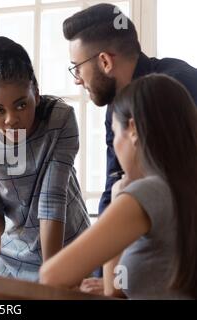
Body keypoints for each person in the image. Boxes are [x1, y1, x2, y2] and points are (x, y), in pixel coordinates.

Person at [39, 74, 197, 299]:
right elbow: (114, 287)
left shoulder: (150, 192)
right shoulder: (184, 190)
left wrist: (121, 195)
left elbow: (53, 275)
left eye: (114, 133)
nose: (114, 144)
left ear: (132, 129)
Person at [0, 36, 90, 282]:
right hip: (13, 262)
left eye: (21, 105)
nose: (11, 119)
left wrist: (52, 282)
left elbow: (51, 203)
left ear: (35, 91)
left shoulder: (59, 120)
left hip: (69, 253)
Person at [63, 3, 197, 215]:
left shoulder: (179, 87)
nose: (77, 80)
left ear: (105, 61)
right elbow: (114, 182)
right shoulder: (116, 105)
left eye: (77, 67)